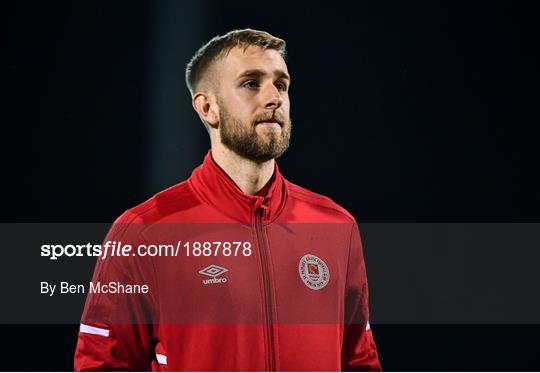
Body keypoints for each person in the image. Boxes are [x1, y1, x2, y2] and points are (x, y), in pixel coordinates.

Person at [74, 28, 381, 371]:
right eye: (251, 83)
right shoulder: (143, 232)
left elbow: (359, 360)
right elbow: (103, 364)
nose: (274, 98)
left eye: (281, 84)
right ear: (208, 107)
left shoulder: (336, 226)